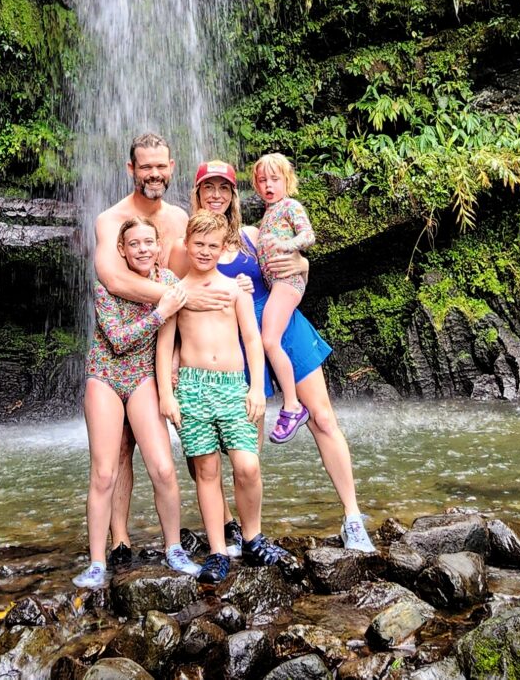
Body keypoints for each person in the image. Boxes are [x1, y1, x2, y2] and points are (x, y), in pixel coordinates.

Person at [172, 160, 376, 553]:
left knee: (323, 417)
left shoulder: (252, 232)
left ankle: (352, 517)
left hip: (281, 326)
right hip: (242, 341)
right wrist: (180, 356)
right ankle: (240, 529)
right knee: (245, 445)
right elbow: (180, 301)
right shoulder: (188, 247)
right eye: (207, 189)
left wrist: (303, 262)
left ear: (233, 196)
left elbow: (292, 269)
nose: (216, 196)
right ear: (196, 195)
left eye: (224, 189)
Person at [94, 133, 234, 566]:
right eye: (145, 167)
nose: (154, 174)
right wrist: (176, 299)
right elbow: (114, 281)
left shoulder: (179, 218)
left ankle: (224, 524)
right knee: (119, 448)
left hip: (171, 349)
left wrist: (288, 266)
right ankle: (119, 539)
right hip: (124, 351)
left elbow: (210, 256)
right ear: (131, 169)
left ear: (172, 168)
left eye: (161, 166)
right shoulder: (109, 219)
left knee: (194, 437)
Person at [156, 210, 288, 584]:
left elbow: (252, 340)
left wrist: (257, 388)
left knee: (247, 465)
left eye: (212, 245)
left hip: (233, 385)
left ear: (223, 247)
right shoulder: (178, 291)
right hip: (193, 387)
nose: (204, 251)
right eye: (198, 244)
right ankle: (217, 550)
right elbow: (165, 347)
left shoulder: (235, 290)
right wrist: (168, 395)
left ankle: (252, 537)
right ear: (187, 244)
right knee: (206, 470)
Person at [73, 216, 202, 588]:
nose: (143, 249)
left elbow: (194, 310)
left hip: (144, 377)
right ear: (122, 250)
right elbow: (117, 339)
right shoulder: (107, 288)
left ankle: (174, 547)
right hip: (106, 377)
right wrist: (161, 312)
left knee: (162, 468)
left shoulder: (170, 282)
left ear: (159, 245)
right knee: (104, 472)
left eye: (149, 242)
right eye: (134, 244)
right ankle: (97, 561)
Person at [252, 152, 316, 444]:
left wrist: (288, 246)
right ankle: (290, 403)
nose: (269, 185)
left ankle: (292, 405)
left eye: (275, 179)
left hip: (287, 281)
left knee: (269, 341)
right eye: (263, 180)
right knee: (269, 340)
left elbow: (308, 236)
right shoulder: (266, 216)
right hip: (277, 283)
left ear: (287, 181)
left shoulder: (290, 205)